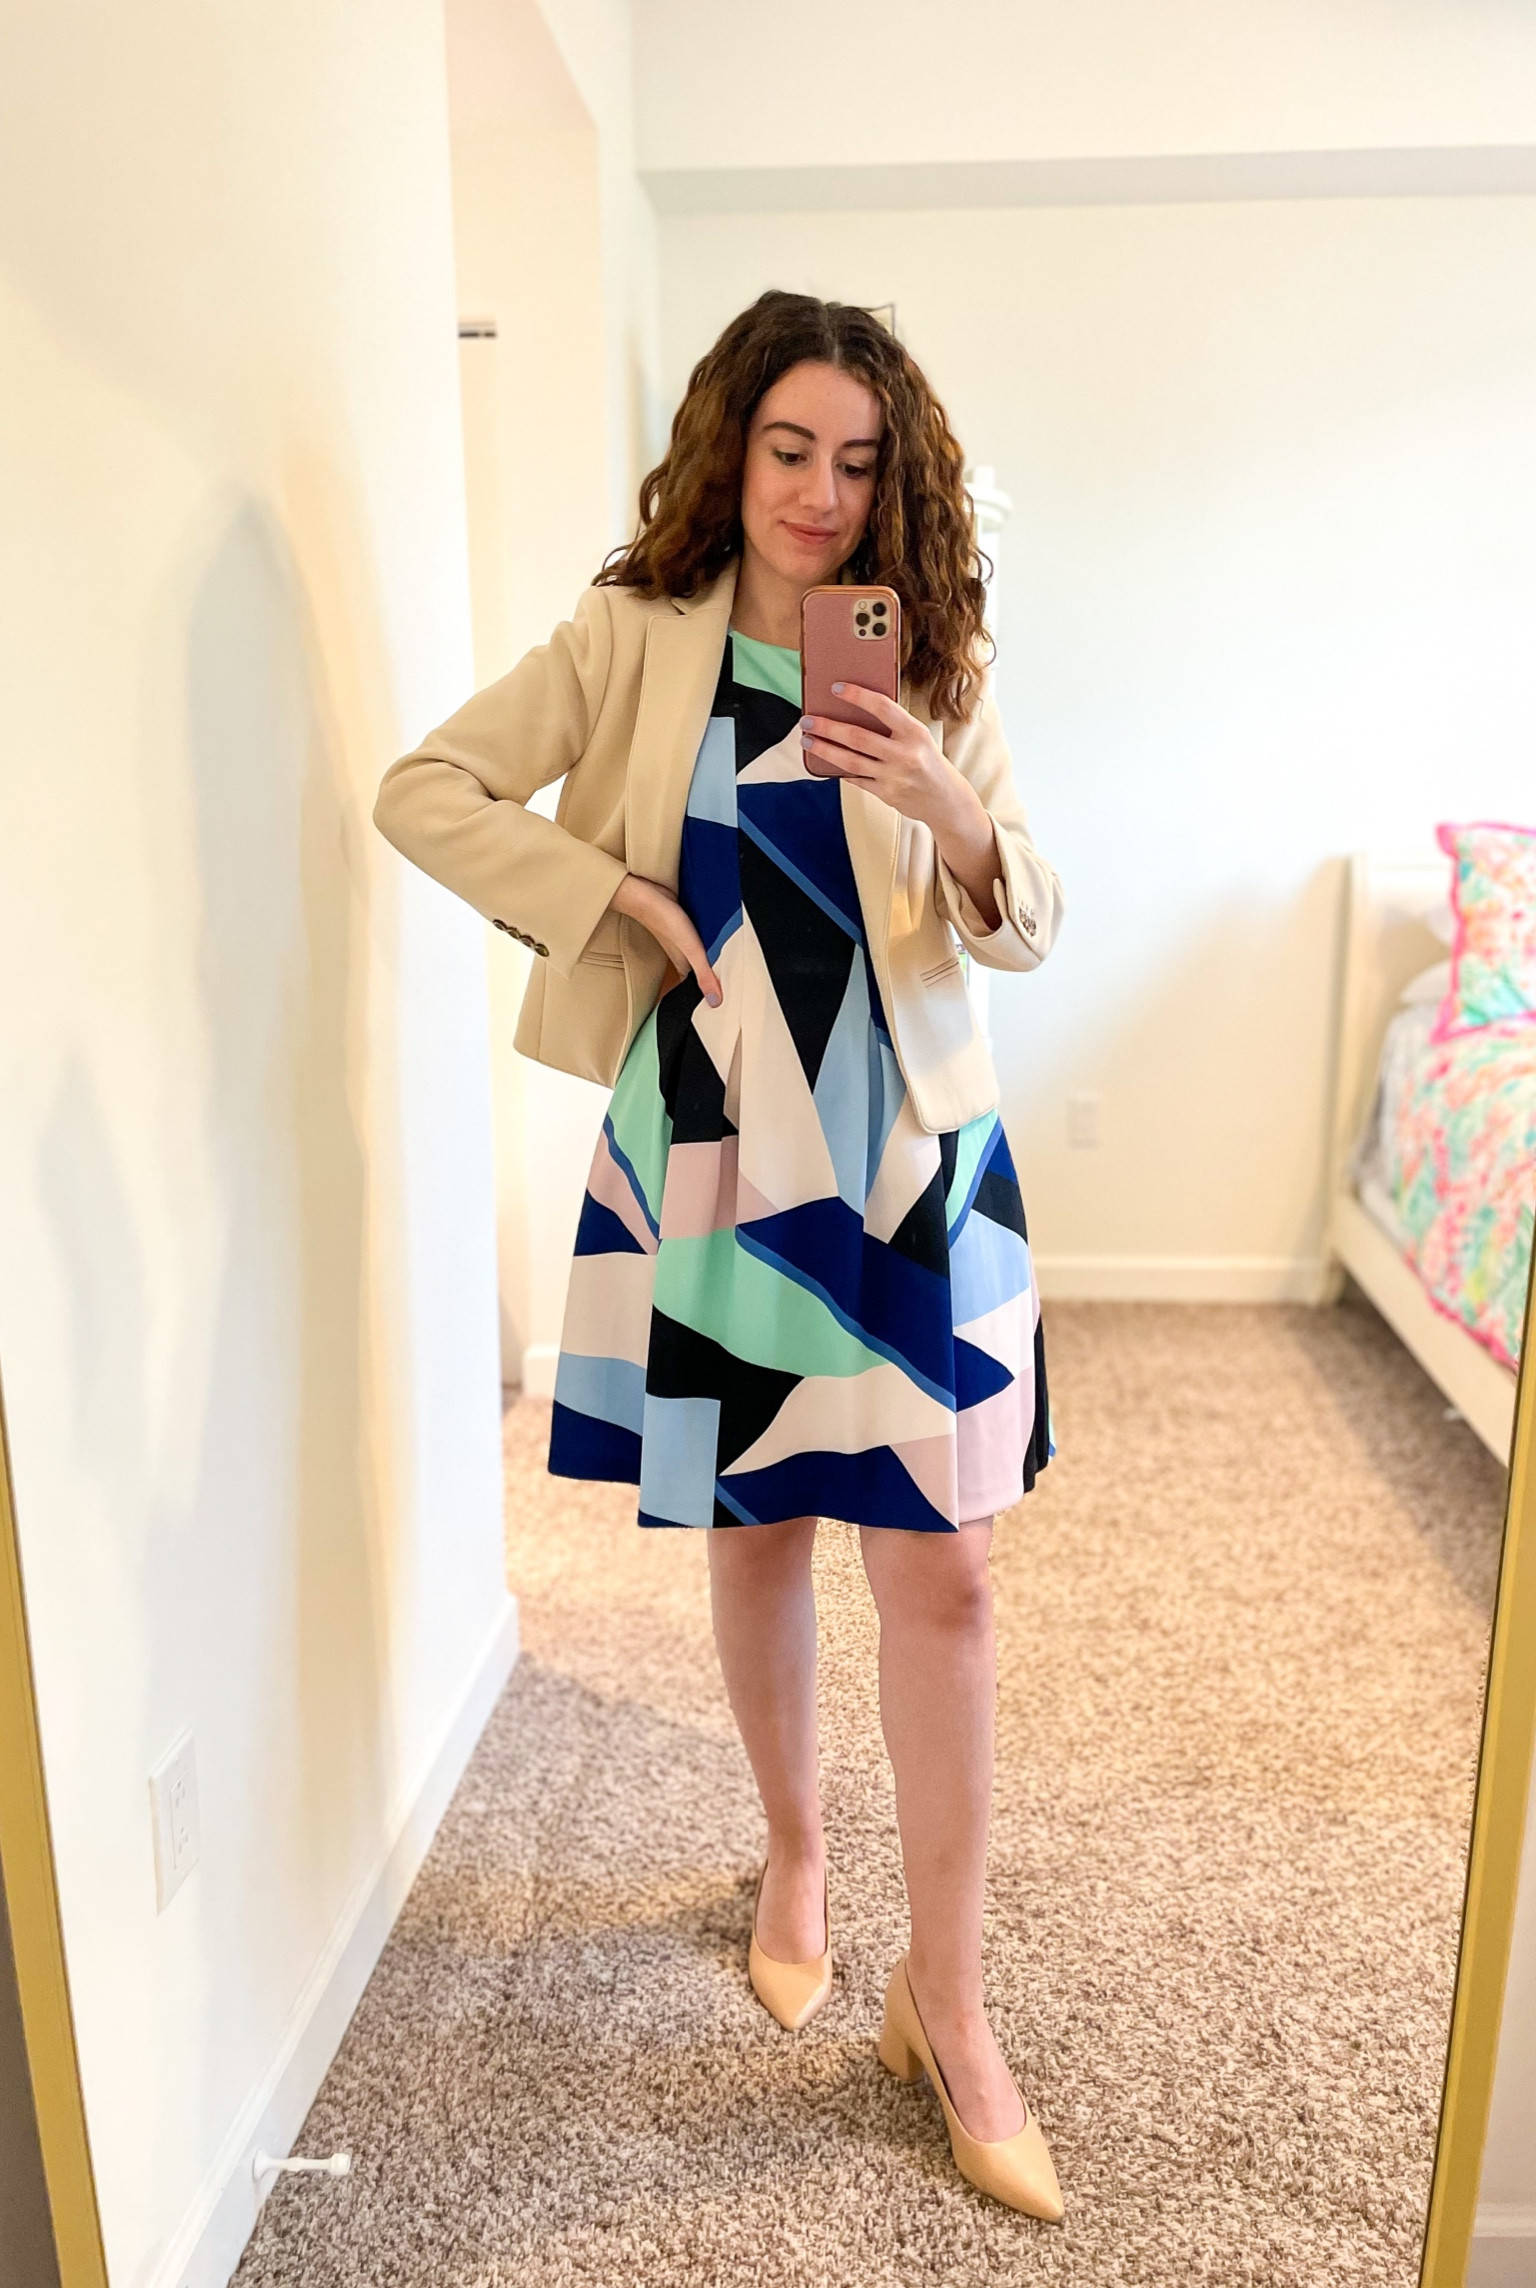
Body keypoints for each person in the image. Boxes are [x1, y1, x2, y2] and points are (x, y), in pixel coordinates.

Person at [374, 291, 1065, 2220]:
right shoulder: (629, 637)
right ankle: (795, 1852)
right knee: (759, 1531)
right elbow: (425, 790)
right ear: (730, 448)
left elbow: (1027, 914)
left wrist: (948, 803)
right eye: (789, 450)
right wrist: (606, 892)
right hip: (714, 1152)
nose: (821, 495)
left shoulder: (935, 654)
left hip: (908, 1156)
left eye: (858, 462)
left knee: (949, 1578)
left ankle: (950, 2002)